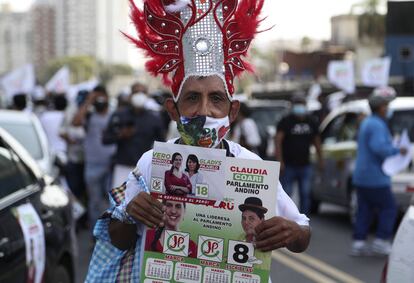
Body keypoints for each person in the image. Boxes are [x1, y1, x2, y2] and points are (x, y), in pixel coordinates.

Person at [86, 1, 310, 281]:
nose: (204, 111)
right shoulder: (151, 163)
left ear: (233, 111)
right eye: (192, 98)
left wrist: (294, 233)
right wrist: (130, 213)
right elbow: (119, 239)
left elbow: (302, 232)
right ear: (173, 110)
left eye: (216, 99)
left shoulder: (252, 166)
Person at [351, 87, 408, 256]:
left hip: (362, 176)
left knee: (364, 209)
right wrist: (398, 150)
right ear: (379, 107)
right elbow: (379, 148)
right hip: (375, 177)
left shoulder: (368, 122)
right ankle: (381, 240)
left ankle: (358, 242)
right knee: (389, 207)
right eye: (386, 105)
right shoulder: (377, 124)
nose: (388, 109)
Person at [72, 86, 116, 230]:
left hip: (112, 165)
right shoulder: (89, 116)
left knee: (112, 201)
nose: (100, 101)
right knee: (94, 202)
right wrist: (88, 101)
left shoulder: (115, 115)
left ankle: (111, 234)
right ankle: (96, 234)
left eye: (102, 97)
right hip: (92, 165)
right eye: (97, 98)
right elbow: (76, 122)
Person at [102, 88, 165, 188]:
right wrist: (121, 135)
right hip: (123, 166)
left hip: (144, 169)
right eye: (136, 92)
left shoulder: (154, 118)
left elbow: (162, 145)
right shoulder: (119, 115)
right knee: (120, 201)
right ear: (131, 95)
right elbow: (105, 139)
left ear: (147, 95)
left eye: (143, 92)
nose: (139, 95)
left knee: (143, 202)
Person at [275, 95, 323, 215]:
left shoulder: (311, 121)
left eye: (301, 104)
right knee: (286, 194)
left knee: (305, 194)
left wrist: (320, 159)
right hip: (288, 165)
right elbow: (278, 140)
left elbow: (317, 141)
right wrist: (280, 161)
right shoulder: (285, 121)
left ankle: (303, 222)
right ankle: (285, 218)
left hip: (305, 165)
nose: (299, 107)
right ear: (292, 106)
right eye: (297, 104)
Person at [238, 197, 271, 269]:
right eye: (243, 218)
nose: (246, 222)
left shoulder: (267, 240)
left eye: (251, 218)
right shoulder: (241, 237)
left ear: (262, 220)